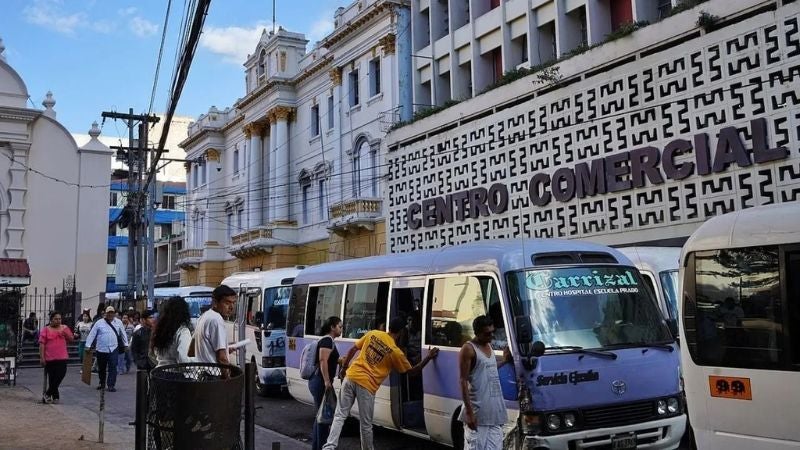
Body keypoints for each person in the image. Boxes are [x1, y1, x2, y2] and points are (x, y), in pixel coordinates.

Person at [323, 317, 440, 450]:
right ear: (401, 332)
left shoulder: (373, 333)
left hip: (351, 376)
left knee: (339, 415)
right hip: (366, 386)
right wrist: (429, 357)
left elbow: (352, 350)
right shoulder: (395, 352)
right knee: (366, 424)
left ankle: (329, 447)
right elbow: (412, 372)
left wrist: (344, 369)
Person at [458, 315, 510, 450]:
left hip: (494, 413)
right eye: (487, 333)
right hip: (478, 414)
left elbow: (487, 368)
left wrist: (504, 361)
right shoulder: (468, 349)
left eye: (492, 332)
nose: (491, 336)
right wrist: (469, 413)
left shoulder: (488, 345)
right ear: (477, 333)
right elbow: (463, 381)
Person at [309, 317, 343, 450]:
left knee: (320, 417)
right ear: (332, 327)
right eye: (339, 326)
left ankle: (317, 447)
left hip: (319, 381)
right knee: (323, 418)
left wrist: (340, 361)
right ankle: (322, 446)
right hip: (320, 382)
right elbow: (323, 360)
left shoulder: (328, 341)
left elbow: (329, 360)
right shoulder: (327, 340)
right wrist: (327, 381)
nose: (341, 329)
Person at [191, 285, 237, 376]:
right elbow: (222, 358)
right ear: (215, 302)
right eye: (227, 303)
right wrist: (227, 379)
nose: (231, 307)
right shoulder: (216, 319)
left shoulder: (205, 316)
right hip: (212, 377)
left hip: (202, 374)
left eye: (233, 303)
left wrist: (226, 348)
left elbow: (196, 348)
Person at [85, 306, 128, 392]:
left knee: (113, 367)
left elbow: (123, 334)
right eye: (108, 312)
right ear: (105, 313)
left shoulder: (118, 322)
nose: (110, 314)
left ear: (114, 313)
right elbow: (92, 334)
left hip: (113, 348)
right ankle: (102, 383)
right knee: (102, 368)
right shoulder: (99, 323)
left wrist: (126, 344)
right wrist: (88, 345)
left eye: (112, 312)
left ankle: (111, 385)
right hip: (101, 348)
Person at [38, 311, 75, 403]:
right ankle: (55, 397)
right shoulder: (46, 329)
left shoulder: (64, 328)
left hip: (62, 357)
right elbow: (42, 344)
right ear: (51, 320)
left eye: (59, 319)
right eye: (56, 319)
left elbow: (71, 339)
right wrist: (42, 357)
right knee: (52, 378)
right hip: (50, 358)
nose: (58, 321)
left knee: (60, 376)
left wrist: (66, 334)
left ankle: (47, 394)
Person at [152, 298, 194, 367]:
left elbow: (152, 354)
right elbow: (184, 359)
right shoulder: (182, 331)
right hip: (175, 374)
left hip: (158, 372)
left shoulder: (160, 329)